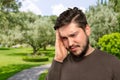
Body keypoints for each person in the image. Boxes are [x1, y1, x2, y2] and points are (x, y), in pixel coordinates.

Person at [46, 7, 120, 80]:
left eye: (73, 35)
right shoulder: (58, 66)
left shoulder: (113, 64)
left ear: (87, 30)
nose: (70, 43)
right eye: (64, 38)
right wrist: (58, 59)